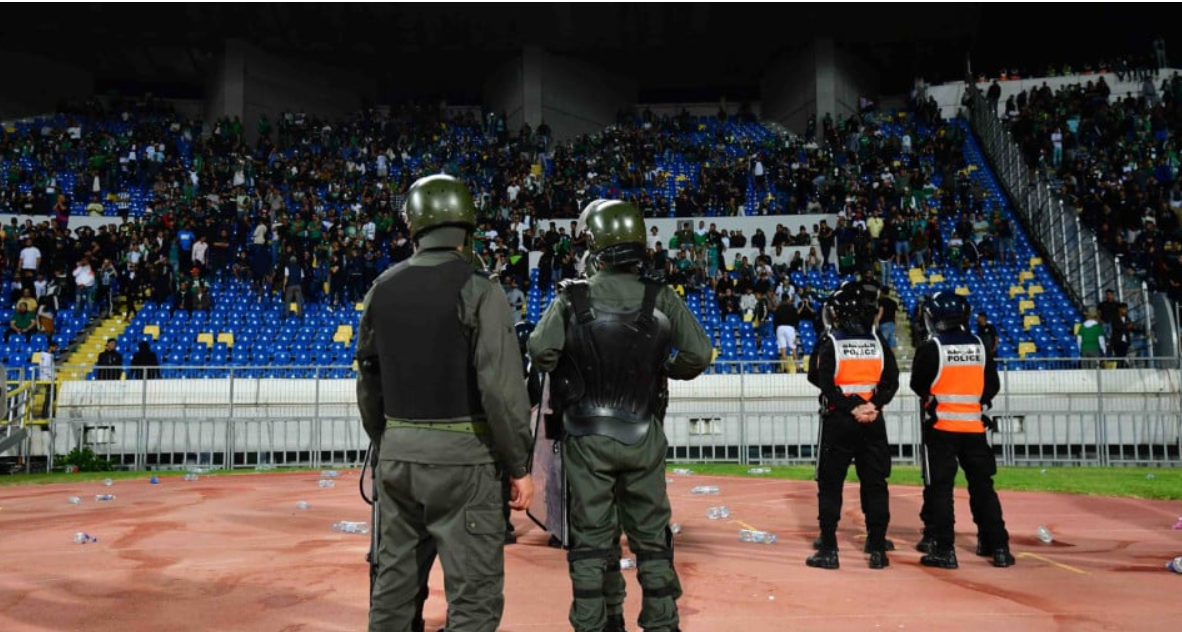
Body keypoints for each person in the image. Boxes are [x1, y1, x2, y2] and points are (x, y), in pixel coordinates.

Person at [357, 174, 534, 632]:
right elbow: (501, 389)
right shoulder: (480, 289)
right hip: (465, 462)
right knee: (473, 599)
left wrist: (389, 441)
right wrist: (519, 465)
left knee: (392, 593)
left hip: (397, 458)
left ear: (414, 225)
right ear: (465, 228)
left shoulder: (382, 287)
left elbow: (368, 380)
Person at [529, 200, 711, 632]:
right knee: (651, 537)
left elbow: (540, 351)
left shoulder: (572, 296)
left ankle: (601, 620)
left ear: (594, 243)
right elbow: (699, 353)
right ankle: (662, 622)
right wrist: (663, 369)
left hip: (586, 433)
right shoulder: (660, 294)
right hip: (643, 431)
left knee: (593, 538)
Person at [911, 292, 1014, 569]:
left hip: (942, 428)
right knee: (983, 487)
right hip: (974, 427)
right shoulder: (980, 345)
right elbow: (991, 386)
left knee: (941, 490)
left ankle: (945, 549)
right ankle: (998, 546)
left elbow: (918, 384)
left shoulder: (933, 347)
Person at [806, 283, 899, 570]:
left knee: (830, 484)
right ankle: (877, 545)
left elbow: (819, 379)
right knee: (875, 483)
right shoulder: (877, 341)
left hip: (838, 421)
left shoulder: (831, 340)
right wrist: (874, 405)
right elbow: (892, 380)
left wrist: (851, 405)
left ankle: (829, 547)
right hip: (873, 421)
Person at [37, 341, 57, 418]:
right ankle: (45, 414)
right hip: (48, 379)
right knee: (50, 397)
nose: (56, 349)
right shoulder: (47, 356)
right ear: (51, 347)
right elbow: (45, 368)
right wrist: (53, 376)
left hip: (47, 378)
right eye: (55, 347)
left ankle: (46, 413)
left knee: (50, 397)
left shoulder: (44, 355)